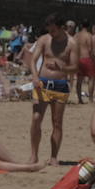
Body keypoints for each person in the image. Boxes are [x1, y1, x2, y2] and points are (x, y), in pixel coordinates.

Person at [29, 15, 79, 163]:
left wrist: (61, 67)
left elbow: (75, 67)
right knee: (36, 118)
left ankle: (53, 157)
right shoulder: (44, 39)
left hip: (60, 84)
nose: (51, 33)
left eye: (54, 30)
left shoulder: (72, 43)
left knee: (57, 122)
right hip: (43, 83)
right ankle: (34, 155)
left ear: (61, 27)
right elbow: (33, 60)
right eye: (49, 30)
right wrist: (35, 76)